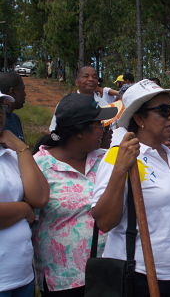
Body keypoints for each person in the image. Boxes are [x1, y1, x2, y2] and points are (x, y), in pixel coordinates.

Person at [92, 79, 170, 297]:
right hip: (141, 275)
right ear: (139, 119)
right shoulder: (120, 156)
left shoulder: (169, 155)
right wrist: (120, 170)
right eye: (163, 110)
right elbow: (104, 221)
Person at [33, 93, 117, 296]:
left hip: (107, 273)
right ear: (80, 132)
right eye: (99, 124)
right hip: (63, 280)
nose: (104, 129)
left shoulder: (103, 160)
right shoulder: (39, 167)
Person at [0, 92, 49, 296]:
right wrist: (23, 209)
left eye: (1, 108)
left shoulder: (11, 156)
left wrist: (21, 148)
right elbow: (30, 205)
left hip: (21, 277)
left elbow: (39, 198)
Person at [0, 72, 26, 141]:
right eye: (22, 90)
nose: (25, 94)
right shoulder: (2, 123)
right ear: (13, 91)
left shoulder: (15, 118)